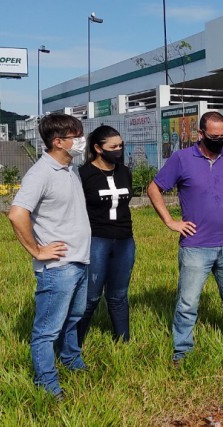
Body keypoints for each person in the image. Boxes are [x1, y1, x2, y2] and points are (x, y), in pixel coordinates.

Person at [147, 111, 223, 363]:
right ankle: (182, 351)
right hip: (195, 247)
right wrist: (170, 221)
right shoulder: (182, 159)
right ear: (201, 134)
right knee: (187, 304)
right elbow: (154, 188)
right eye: (214, 136)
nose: (219, 140)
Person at [7, 113, 91, 399]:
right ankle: (47, 383)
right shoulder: (41, 173)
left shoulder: (70, 169)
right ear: (58, 142)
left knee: (74, 317)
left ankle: (70, 359)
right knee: (47, 329)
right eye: (76, 136)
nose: (81, 141)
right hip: (58, 267)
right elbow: (17, 214)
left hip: (79, 260)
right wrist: (37, 250)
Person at [77, 125, 135, 344]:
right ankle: (74, 346)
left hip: (124, 240)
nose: (118, 150)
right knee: (91, 296)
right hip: (96, 239)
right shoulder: (83, 174)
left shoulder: (124, 172)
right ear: (98, 148)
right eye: (113, 146)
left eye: (120, 145)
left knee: (119, 295)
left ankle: (123, 342)